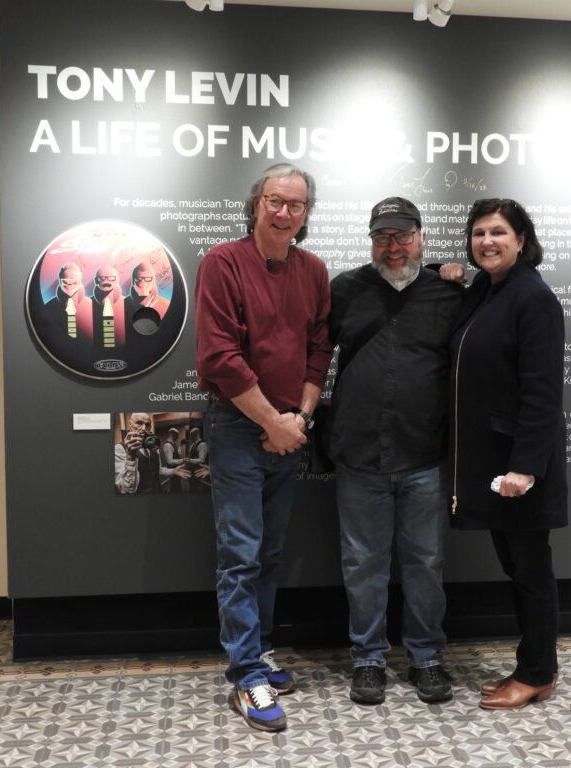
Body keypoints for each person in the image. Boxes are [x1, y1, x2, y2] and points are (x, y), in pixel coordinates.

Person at [195, 163, 332, 732]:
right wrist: (272, 422)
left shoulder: (315, 270)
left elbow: (319, 350)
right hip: (237, 428)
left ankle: (261, 649)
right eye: (275, 201)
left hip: (288, 431)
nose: (284, 213)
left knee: (269, 551)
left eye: (296, 205)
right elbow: (219, 357)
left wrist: (297, 418)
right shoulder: (222, 263)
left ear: (306, 215)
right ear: (256, 204)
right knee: (241, 553)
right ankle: (245, 675)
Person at [323, 197, 463, 706]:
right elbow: (315, 353)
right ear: (372, 241)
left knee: (425, 562)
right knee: (363, 562)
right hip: (359, 453)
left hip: (424, 453)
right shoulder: (345, 290)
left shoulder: (448, 293)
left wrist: (459, 271)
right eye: (383, 237)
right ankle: (368, 660)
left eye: (403, 236)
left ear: (421, 236)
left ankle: (426, 657)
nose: (394, 246)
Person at [448, 198, 568, 711]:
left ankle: (538, 672)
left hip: (518, 470)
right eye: (478, 233)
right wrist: (444, 271)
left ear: (522, 239)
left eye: (498, 232)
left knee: (530, 572)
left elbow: (543, 393)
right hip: (496, 464)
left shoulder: (533, 299)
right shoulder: (487, 289)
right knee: (519, 569)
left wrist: (524, 468)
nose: (486, 242)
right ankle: (533, 664)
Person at [114, 413, 191, 494]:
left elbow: (158, 470)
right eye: (139, 423)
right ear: (130, 424)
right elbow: (125, 489)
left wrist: (173, 471)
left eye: (147, 425)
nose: (144, 428)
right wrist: (130, 458)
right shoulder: (119, 449)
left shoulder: (153, 447)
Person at [44, 261, 92, 340]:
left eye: (74, 282)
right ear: (59, 281)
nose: (70, 284)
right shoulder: (49, 307)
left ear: (80, 282)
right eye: (66, 282)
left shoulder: (91, 305)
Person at [125, 261, 171, 334]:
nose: (143, 284)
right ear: (133, 282)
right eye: (138, 279)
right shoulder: (124, 303)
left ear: (153, 282)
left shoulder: (165, 304)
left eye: (148, 279)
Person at [91, 265, 126, 348]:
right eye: (102, 278)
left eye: (111, 278)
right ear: (96, 281)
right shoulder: (88, 303)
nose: (106, 281)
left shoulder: (126, 302)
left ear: (117, 280)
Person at [160, 427, 184, 492]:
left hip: (176, 470)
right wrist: (182, 460)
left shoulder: (173, 444)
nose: (177, 437)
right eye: (176, 435)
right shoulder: (168, 445)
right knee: (175, 488)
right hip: (172, 471)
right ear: (171, 434)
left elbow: (177, 454)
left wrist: (181, 446)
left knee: (177, 487)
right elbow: (170, 461)